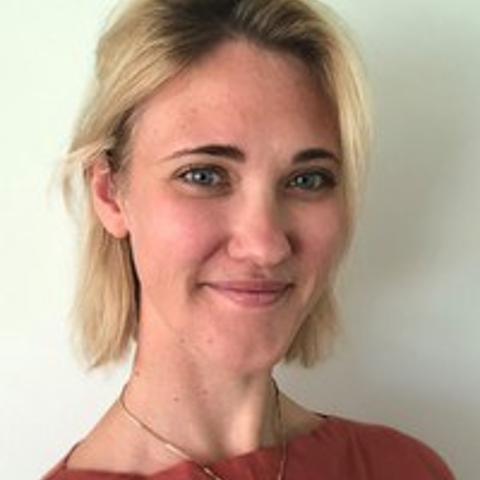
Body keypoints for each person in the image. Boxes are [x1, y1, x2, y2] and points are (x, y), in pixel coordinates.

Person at [41, 0, 456, 479]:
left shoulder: (405, 468)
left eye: (307, 179)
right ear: (110, 195)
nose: (265, 245)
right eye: (203, 175)